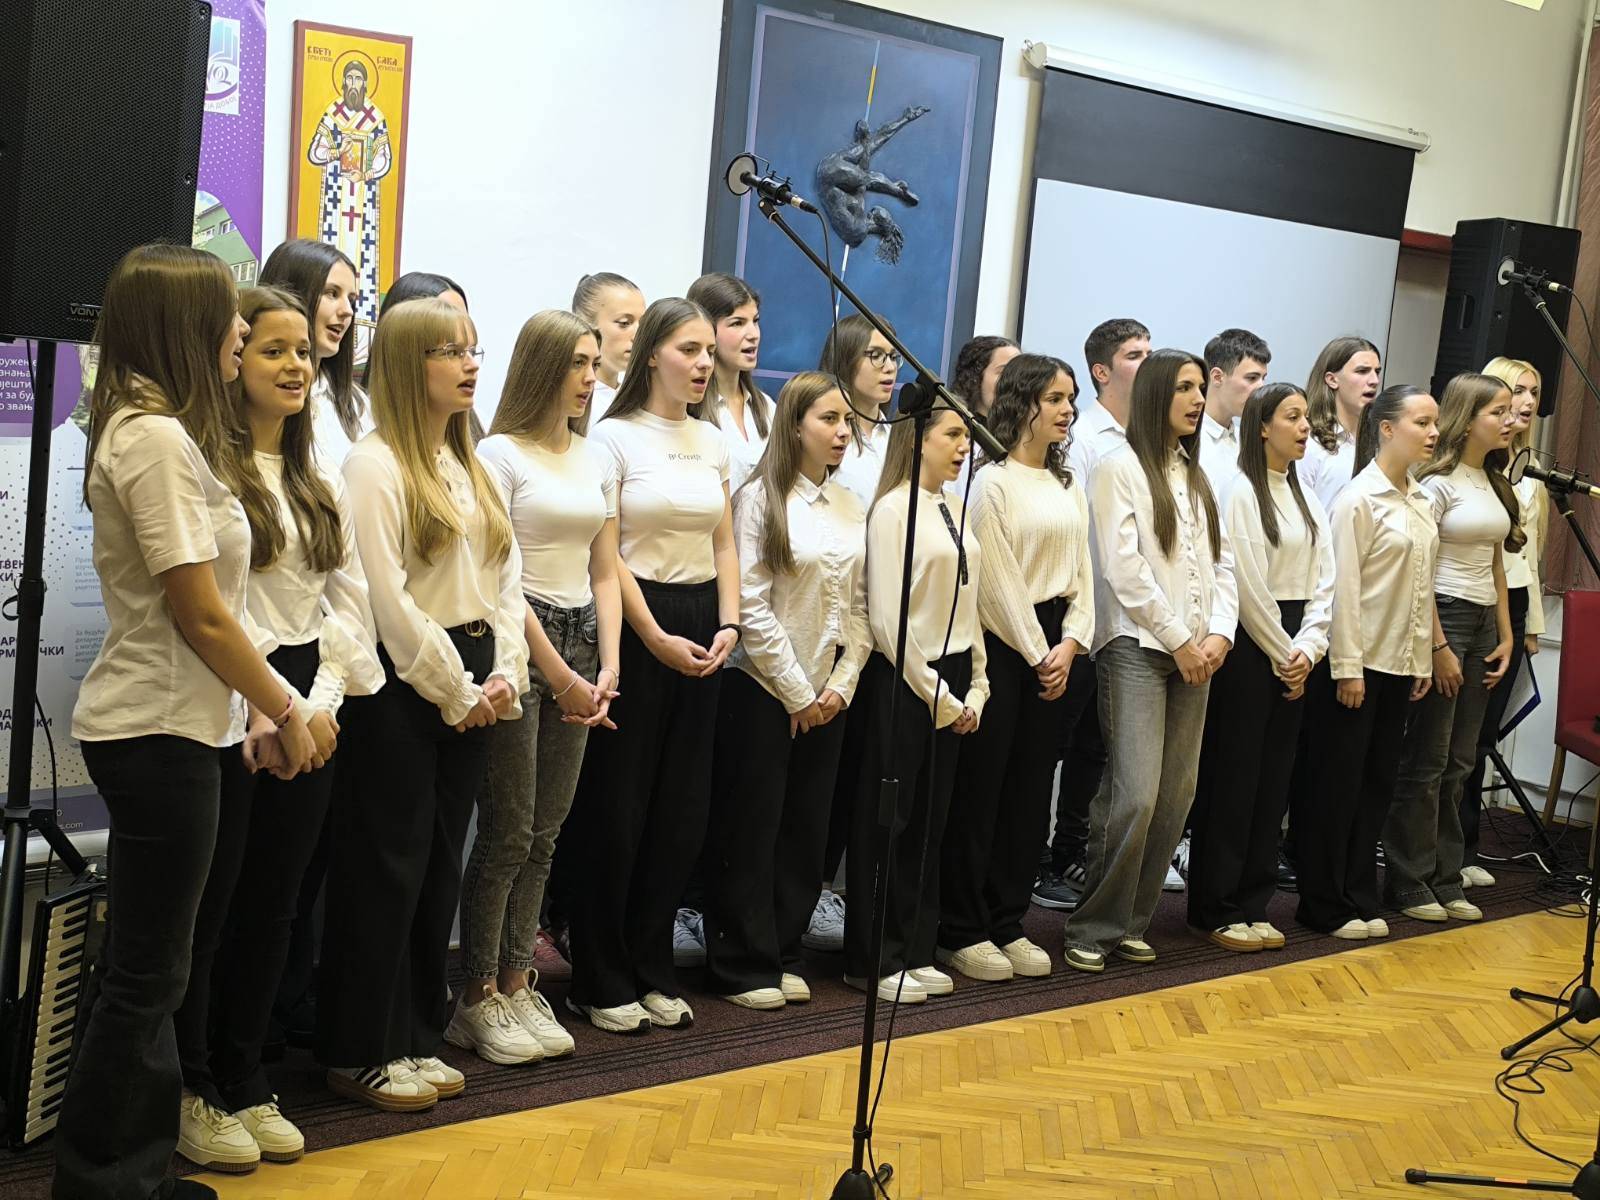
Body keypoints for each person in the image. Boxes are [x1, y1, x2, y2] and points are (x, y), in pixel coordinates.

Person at [54, 244, 316, 1200]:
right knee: (148, 976)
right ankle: (108, 1181)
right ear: (184, 328)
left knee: (151, 970)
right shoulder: (154, 439)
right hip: (156, 729)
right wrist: (284, 704)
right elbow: (198, 611)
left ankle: (122, 1172)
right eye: (231, 321)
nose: (243, 334)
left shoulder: (149, 428)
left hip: (172, 727)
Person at [171, 285, 383, 1171]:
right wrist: (272, 709)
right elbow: (222, 606)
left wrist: (322, 700)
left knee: (277, 903)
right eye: (274, 351)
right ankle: (193, 1086)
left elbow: (348, 599)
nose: (298, 365)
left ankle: (245, 1072)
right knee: (213, 907)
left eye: (305, 351)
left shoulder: (313, 473)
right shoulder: (210, 470)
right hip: (238, 694)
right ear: (234, 360)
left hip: (308, 696)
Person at [318, 298, 528, 1110]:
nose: (472, 364)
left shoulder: (464, 458)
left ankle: (412, 1032)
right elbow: (384, 598)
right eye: (451, 351)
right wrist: (455, 689)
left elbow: (504, 582)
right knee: (385, 867)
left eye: (475, 349)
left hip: (474, 675)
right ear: (410, 365)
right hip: (408, 684)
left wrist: (503, 673)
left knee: (438, 862)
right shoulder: (373, 464)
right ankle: (356, 1047)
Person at [448, 310, 623, 1064]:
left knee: (547, 834)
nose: (590, 379)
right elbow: (500, 580)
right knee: (508, 832)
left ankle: (521, 982)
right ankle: (476, 995)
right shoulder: (498, 453)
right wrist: (559, 674)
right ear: (543, 367)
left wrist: (608, 663)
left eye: (594, 364)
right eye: (578, 364)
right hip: (521, 644)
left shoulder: (593, 456)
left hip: (585, 636)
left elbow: (605, 567)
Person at [562, 298, 741, 1034]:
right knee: (618, 809)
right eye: (689, 349)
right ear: (653, 357)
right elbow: (608, 558)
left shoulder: (713, 440)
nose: (703, 364)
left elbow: (725, 543)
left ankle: (651, 963)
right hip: (636, 626)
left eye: (708, 352)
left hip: (705, 625)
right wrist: (655, 635)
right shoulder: (612, 440)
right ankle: (598, 975)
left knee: (681, 811)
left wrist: (729, 621)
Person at [1061, 349, 1236, 974]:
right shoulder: (1117, 467)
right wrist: (1180, 639)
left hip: (1198, 653)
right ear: (1158, 393)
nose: (1196, 398)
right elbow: (1124, 571)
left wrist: (1219, 633)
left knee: (1176, 795)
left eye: (1199, 387)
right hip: (1137, 647)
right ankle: (1093, 924)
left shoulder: (1197, 475)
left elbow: (1223, 564)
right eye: (1185, 387)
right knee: (1133, 792)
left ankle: (1132, 921)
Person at [704, 373, 870, 1009]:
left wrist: (840, 684)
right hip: (763, 690)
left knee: (807, 827)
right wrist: (798, 690)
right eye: (828, 419)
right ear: (795, 425)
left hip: (829, 691)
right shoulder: (761, 500)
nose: (841, 432)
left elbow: (860, 606)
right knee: (754, 828)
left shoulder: (852, 505)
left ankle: (783, 947)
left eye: (846, 422)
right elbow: (750, 602)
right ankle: (742, 960)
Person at [938, 355, 1090, 982]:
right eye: (1055, 398)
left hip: (1059, 647)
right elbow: (996, 581)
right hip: (1005, 646)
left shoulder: (1067, 482)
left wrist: (1073, 640)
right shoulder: (992, 482)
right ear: (1024, 402)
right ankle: (963, 928)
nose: (1067, 410)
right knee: (984, 791)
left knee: (1031, 794)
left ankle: (1008, 918)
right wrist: (1037, 653)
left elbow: (1084, 572)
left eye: (1071, 399)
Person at [843, 398, 988, 1002]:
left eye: (966, 435)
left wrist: (978, 682)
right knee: (891, 825)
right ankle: (876, 958)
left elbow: (970, 602)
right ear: (919, 438)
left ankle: (919, 946)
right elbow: (886, 618)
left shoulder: (953, 506)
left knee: (932, 822)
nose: (963, 446)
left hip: (953, 674)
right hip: (907, 680)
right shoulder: (891, 511)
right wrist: (939, 696)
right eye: (952, 434)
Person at [1187, 383, 1332, 952]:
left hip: (1295, 647)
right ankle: (1215, 906)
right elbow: (1244, 583)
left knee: (1274, 783)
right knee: (1235, 779)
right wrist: (1283, 652)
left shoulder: (1307, 496)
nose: (1303, 427)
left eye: (1305, 418)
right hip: (1253, 648)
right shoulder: (1240, 490)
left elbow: (1327, 583)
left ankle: (1254, 899)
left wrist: (1310, 649)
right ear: (1262, 427)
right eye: (1291, 417)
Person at [1292, 384, 1439, 940]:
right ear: (1386, 428)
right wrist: (1347, 666)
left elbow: (1420, 588)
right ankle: (1323, 903)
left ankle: (1358, 893)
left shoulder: (1421, 500)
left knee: (1376, 784)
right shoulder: (1358, 500)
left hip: (1400, 662)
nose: (1432, 434)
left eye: (1435, 425)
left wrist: (1422, 656)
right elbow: (1341, 589)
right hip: (1358, 664)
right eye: (1422, 423)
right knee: (1337, 785)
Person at [1384, 374, 1517, 922]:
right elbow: (1421, 567)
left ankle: (1447, 873)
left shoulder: (1494, 480)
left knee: (1462, 760)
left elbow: (1495, 563)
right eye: (1500, 411)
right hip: (1445, 617)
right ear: (1470, 416)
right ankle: (1410, 877)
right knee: (1429, 757)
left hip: (1485, 621)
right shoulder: (1435, 482)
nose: (1511, 420)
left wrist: (1507, 633)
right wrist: (1437, 645)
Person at [1034, 318, 1152, 911]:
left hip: (1128, 622)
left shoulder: (1146, 436)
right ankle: (1046, 857)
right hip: (1084, 612)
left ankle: (1073, 851)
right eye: (1136, 354)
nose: (1147, 361)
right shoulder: (1084, 440)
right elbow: (1076, 533)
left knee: (1099, 749)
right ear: (1102, 371)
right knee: (1063, 742)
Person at [807, 314, 902, 953]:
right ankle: (811, 887)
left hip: (886, 623)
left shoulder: (898, 436)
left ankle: (834, 887)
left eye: (894, 356)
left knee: (864, 771)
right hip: (833, 620)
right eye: (875, 355)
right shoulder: (836, 441)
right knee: (826, 775)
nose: (890, 367)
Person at [1461, 357, 1547, 886]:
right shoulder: (1473, 463)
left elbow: (1529, 556)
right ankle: (1456, 848)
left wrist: (1532, 625)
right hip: (1475, 600)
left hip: (1513, 602)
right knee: (1460, 737)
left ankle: (1465, 847)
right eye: (1518, 389)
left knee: (1485, 734)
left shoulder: (1530, 467)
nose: (1528, 400)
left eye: (1535, 391)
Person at [260, 239, 363, 470]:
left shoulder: (357, 404)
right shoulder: (257, 400)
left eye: (352, 300)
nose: (347, 310)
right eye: (332, 293)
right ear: (292, 294)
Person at [687, 272, 772, 492]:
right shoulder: (686, 410)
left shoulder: (767, 408)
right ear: (706, 329)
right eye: (737, 323)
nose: (753, 334)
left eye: (755, 321)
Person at [1299, 336, 1382, 513]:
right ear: (1332, 380)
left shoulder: (1380, 441)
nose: (1374, 380)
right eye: (1362, 371)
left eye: (1377, 371)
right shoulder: (1308, 442)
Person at [1196, 329, 1271, 500]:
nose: (1261, 388)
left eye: (1263, 378)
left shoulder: (1249, 440)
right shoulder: (1189, 442)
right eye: (1251, 378)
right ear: (1217, 377)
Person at [947, 334, 1020, 495]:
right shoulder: (957, 441)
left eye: (1018, 374)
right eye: (1003, 373)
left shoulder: (1023, 441)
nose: (1012, 382)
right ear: (975, 377)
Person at [573, 272, 645, 422]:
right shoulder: (571, 404)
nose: (638, 336)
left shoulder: (642, 402)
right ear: (585, 324)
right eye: (624, 323)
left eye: (644, 324)